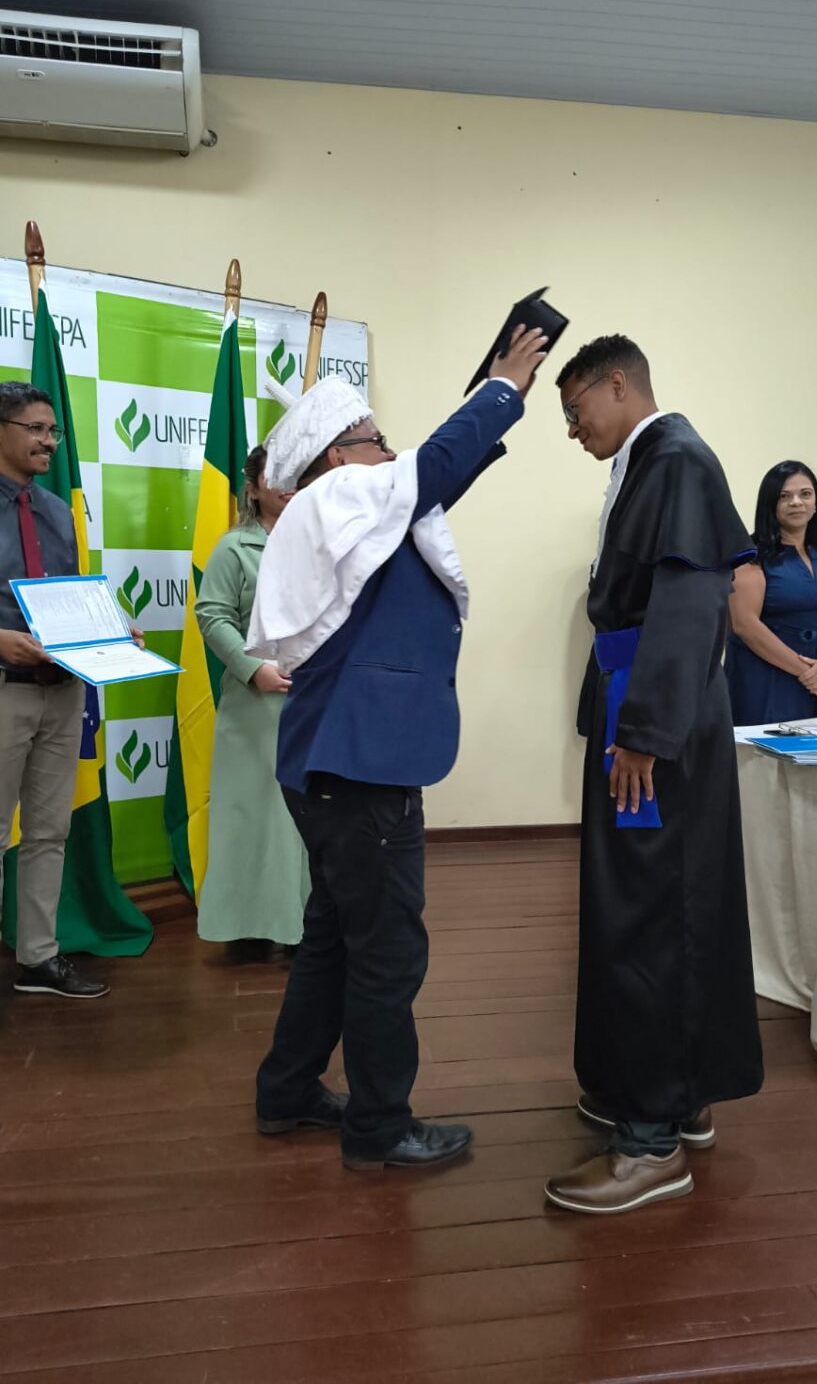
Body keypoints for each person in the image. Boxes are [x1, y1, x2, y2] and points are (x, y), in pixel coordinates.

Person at [246, 326, 548, 1171]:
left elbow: (432, 478)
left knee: (335, 938)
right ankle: (379, 1127)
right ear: (337, 455)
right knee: (385, 949)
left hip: (338, 760)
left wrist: (490, 417)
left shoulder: (344, 510)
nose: (390, 449)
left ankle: (287, 1091)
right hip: (359, 765)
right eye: (376, 437)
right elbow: (429, 468)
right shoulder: (337, 496)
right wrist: (500, 389)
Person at [545, 336, 763, 1216]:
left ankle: (649, 1144)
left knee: (649, 909)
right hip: (642, 706)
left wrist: (640, 733)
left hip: (654, 722)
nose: (571, 430)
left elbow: (686, 601)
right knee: (668, 898)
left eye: (574, 412)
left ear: (617, 383)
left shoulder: (674, 458)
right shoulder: (651, 462)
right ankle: (677, 1092)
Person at [0, 382, 108, 998]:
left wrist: (109, 630)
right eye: (35, 429)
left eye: (53, 431)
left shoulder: (56, 511)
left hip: (62, 692)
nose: (48, 442)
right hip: (6, 690)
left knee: (48, 833)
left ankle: (38, 959)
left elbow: (65, 600)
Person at [194, 445, 311, 955]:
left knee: (307, 820)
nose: (288, 485)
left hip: (315, 700)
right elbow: (212, 615)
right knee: (255, 816)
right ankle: (249, 930)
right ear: (253, 487)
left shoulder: (322, 540)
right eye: (276, 476)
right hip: (255, 704)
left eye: (296, 474)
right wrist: (252, 668)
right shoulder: (234, 548)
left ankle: (306, 928)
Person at [725, 461, 817, 725]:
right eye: (784, 496)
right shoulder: (750, 554)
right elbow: (745, 625)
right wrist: (810, 675)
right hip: (767, 678)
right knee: (767, 751)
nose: (796, 502)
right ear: (770, 503)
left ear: (816, 503)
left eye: (805, 494)